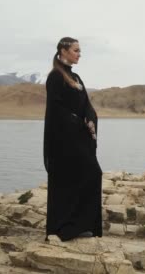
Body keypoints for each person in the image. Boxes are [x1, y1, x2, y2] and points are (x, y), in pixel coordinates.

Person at [43, 36, 102, 241]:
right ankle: (61, 229)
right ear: (63, 51)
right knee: (67, 181)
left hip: (80, 139)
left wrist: (90, 119)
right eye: (76, 50)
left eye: (79, 50)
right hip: (64, 142)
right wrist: (77, 122)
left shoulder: (76, 77)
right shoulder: (55, 78)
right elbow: (56, 110)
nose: (79, 54)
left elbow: (86, 104)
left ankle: (83, 224)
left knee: (93, 174)